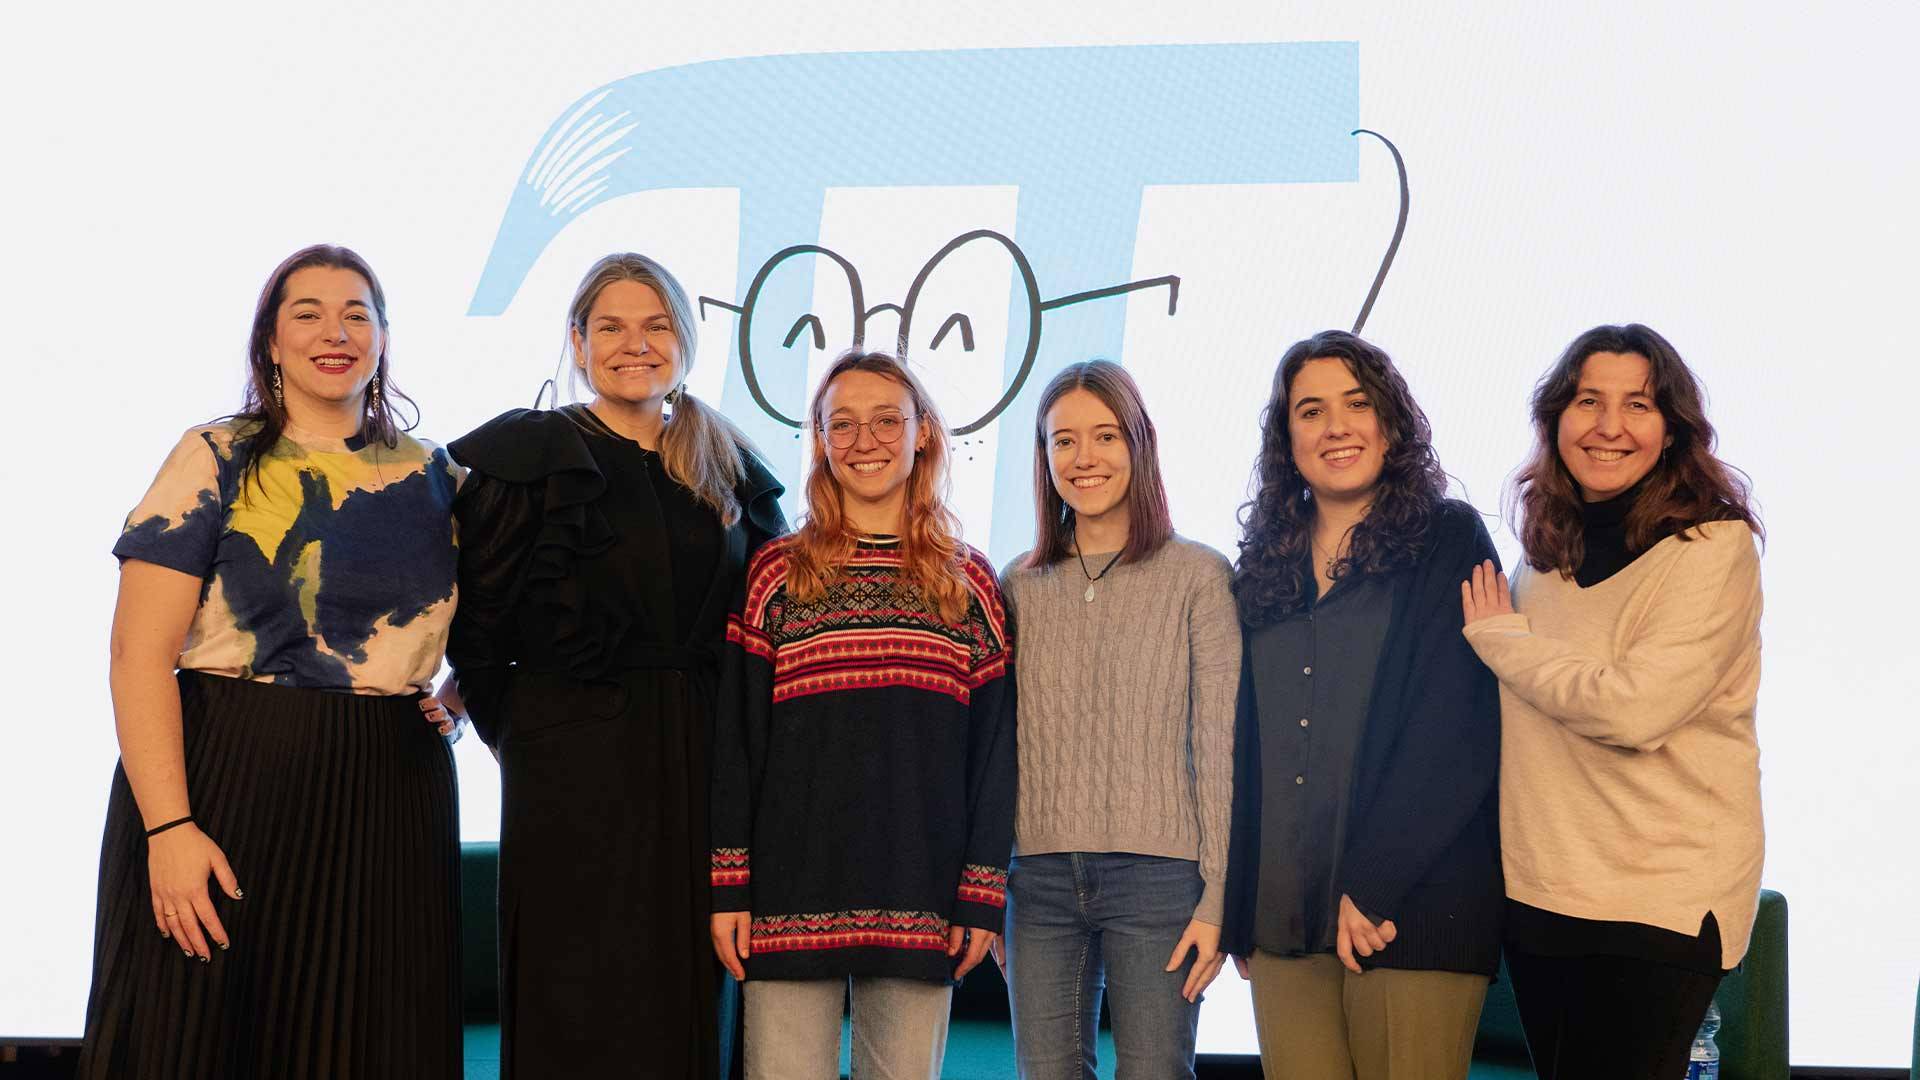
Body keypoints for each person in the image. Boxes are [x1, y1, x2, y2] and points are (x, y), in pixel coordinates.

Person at [78, 244, 464, 1079]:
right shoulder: (214, 457)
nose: (336, 332)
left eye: (357, 313)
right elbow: (136, 658)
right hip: (227, 786)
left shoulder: (435, 474)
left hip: (391, 801)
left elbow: (517, 611)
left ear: (384, 339)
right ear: (271, 343)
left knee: (366, 1045)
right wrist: (170, 829)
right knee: (195, 1039)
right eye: (309, 313)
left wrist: (462, 697)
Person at [445, 253, 785, 1078]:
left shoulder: (729, 460)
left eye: (656, 325)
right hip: (569, 769)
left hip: (702, 762)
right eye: (612, 327)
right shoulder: (532, 454)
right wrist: (525, 734)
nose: (636, 345)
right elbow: (480, 626)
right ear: (578, 341)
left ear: (685, 339)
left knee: (689, 993)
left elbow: (767, 614)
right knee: (576, 987)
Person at [1461, 323, 1764, 1080]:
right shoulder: (1544, 555)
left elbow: (1635, 710)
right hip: (1542, 890)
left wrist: (1504, 642)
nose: (1609, 426)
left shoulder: (1712, 549)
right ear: (1556, 417)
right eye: (1588, 400)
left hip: (1659, 899)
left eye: (1637, 404)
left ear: (1672, 429)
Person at [709, 350, 1015, 1080]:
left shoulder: (968, 583)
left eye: (886, 420)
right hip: (789, 893)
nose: (864, 440)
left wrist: (981, 895)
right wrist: (729, 886)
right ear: (818, 441)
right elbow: (737, 744)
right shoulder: (774, 576)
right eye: (840, 424)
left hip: (922, 894)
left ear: (923, 436)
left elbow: (995, 755)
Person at [1222, 330, 1503, 1080]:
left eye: (1357, 403)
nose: (1336, 426)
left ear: (1392, 422)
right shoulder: (1265, 562)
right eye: (1310, 411)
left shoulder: (1449, 537)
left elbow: (1459, 732)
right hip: (1284, 917)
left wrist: (1374, 883)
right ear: (1287, 439)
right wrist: (1241, 898)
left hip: (1410, 913)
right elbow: (1246, 743)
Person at [997, 360, 1238, 1079]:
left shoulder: (1198, 575)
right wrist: (990, 885)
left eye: (1105, 435)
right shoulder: (1017, 583)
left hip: (1161, 880)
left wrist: (1219, 895)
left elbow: (1220, 744)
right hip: (1035, 880)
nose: (1084, 457)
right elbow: (997, 748)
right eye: (1062, 441)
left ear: (1140, 444)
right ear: (1043, 459)